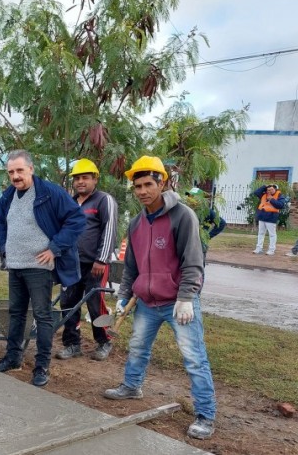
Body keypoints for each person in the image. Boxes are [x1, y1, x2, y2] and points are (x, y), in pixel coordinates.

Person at [102, 155, 216, 441]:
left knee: (193, 358)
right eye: (137, 186)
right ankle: (131, 387)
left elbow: (193, 261)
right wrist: (124, 294)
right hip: (146, 304)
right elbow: (132, 266)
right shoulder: (137, 223)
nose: (142, 191)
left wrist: (187, 297)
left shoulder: (183, 216)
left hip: (179, 303)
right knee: (138, 347)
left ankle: (205, 414)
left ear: (162, 182)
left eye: (148, 184)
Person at [0, 150, 85, 388]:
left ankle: (42, 366)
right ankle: (13, 357)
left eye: (20, 170)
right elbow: (0, 222)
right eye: (11, 172)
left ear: (31, 169)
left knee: (42, 316)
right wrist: (3, 247)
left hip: (39, 267)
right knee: (16, 313)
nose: (15, 176)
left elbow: (76, 219)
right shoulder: (8, 195)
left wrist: (54, 248)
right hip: (15, 265)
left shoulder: (49, 193)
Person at [55, 158, 118, 362]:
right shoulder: (71, 203)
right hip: (71, 264)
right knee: (68, 303)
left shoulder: (103, 200)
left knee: (94, 303)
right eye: (77, 178)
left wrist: (101, 259)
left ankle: (104, 341)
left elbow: (109, 229)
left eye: (85, 178)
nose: (80, 182)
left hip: (95, 265)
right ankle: (72, 344)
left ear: (95, 179)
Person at [184, 187, 226, 257]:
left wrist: (207, 236)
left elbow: (222, 223)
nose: (189, 198)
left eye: (192, 196)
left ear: (200, 199)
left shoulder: (207, 212)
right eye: (189, 196)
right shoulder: (186, 210)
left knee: (198, 264)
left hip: (200, 243)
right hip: (187, 243)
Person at [252, 183, 287, 256]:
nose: (269, 191)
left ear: (275, 189)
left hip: (271, 217)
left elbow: (280, 205)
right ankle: (259, 248)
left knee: (272, 234)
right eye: (268, 190)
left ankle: (271, 250)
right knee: (261, 233)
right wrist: (264, 186)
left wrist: (271, 199)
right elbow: (256, 192)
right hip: (262, 216)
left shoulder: (279, 196)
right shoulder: (264, 195)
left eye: (271, 189)